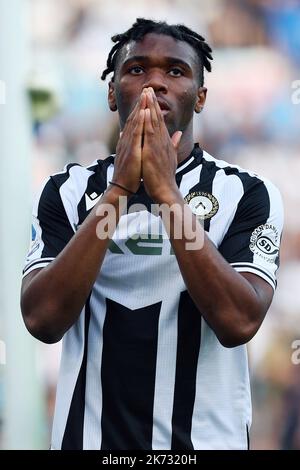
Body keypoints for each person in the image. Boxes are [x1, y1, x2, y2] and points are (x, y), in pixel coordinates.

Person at [20, 18, 284, 450]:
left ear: (199, 97)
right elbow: (42, 319)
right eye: (137, 69)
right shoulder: (65, 192)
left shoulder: (246, 193)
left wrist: (165, 192)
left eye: (176, 72)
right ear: (111, 92)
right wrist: (120, 190)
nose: (155, 83)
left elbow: (238, 321)